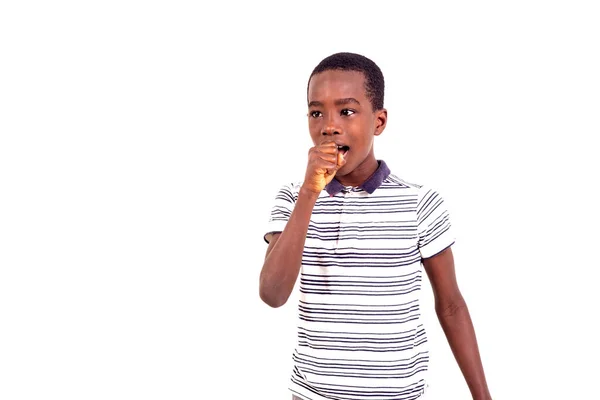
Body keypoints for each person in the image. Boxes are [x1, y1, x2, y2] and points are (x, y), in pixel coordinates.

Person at [259, 52, 492, 400]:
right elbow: (272, 294)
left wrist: (482, 396)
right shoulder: (293, 198)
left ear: (379, 122)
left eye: (347, 111)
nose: (329, 125)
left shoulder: (419, 202)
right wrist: (310, 192)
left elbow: (451, 305)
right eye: (316, 112)